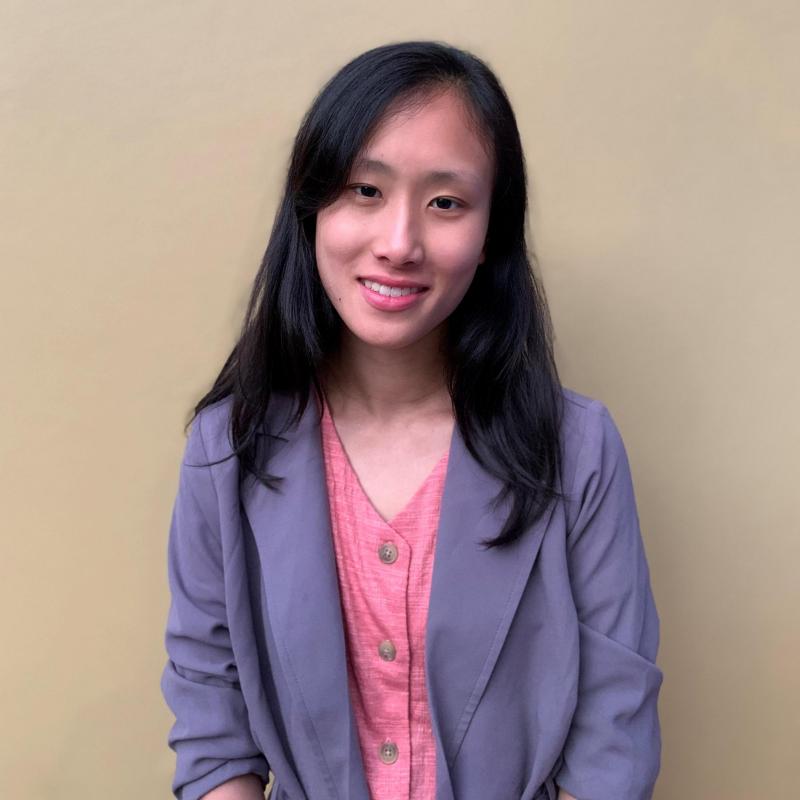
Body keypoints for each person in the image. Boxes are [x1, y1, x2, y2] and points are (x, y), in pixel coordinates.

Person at [160, 41, 663, 800]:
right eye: (365, 190)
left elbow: (611, 743)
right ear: (312, 206)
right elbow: (212, 721)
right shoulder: (225, 450)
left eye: (446, 202)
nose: (398, 243)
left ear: (492, 229)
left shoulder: (578, 450)